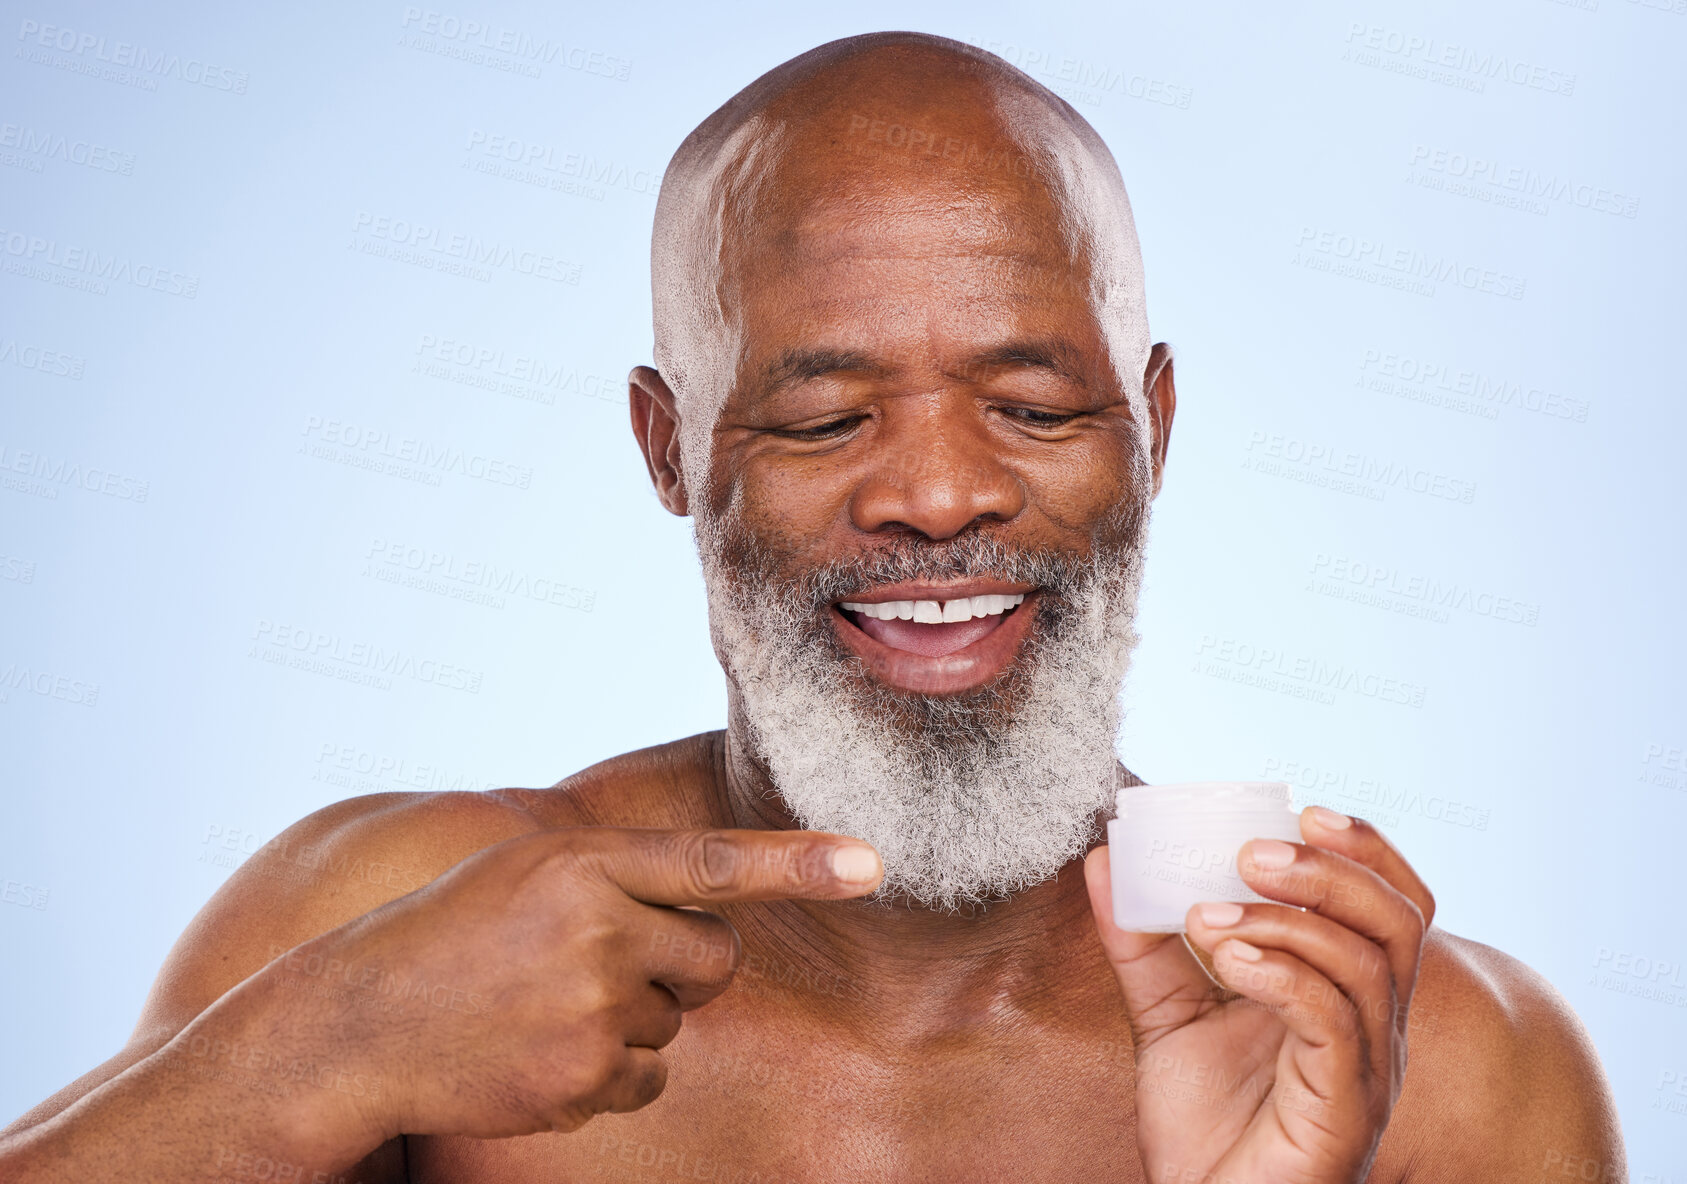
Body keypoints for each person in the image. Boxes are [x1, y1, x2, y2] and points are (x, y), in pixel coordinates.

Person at [0, 31, 1625, 1184]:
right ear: (668, 449)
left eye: (1036, 407)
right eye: (827, 416)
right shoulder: (379, 935)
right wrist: (306, 1057)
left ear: (1156, 433)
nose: (934, 494)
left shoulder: (1439, 1067)